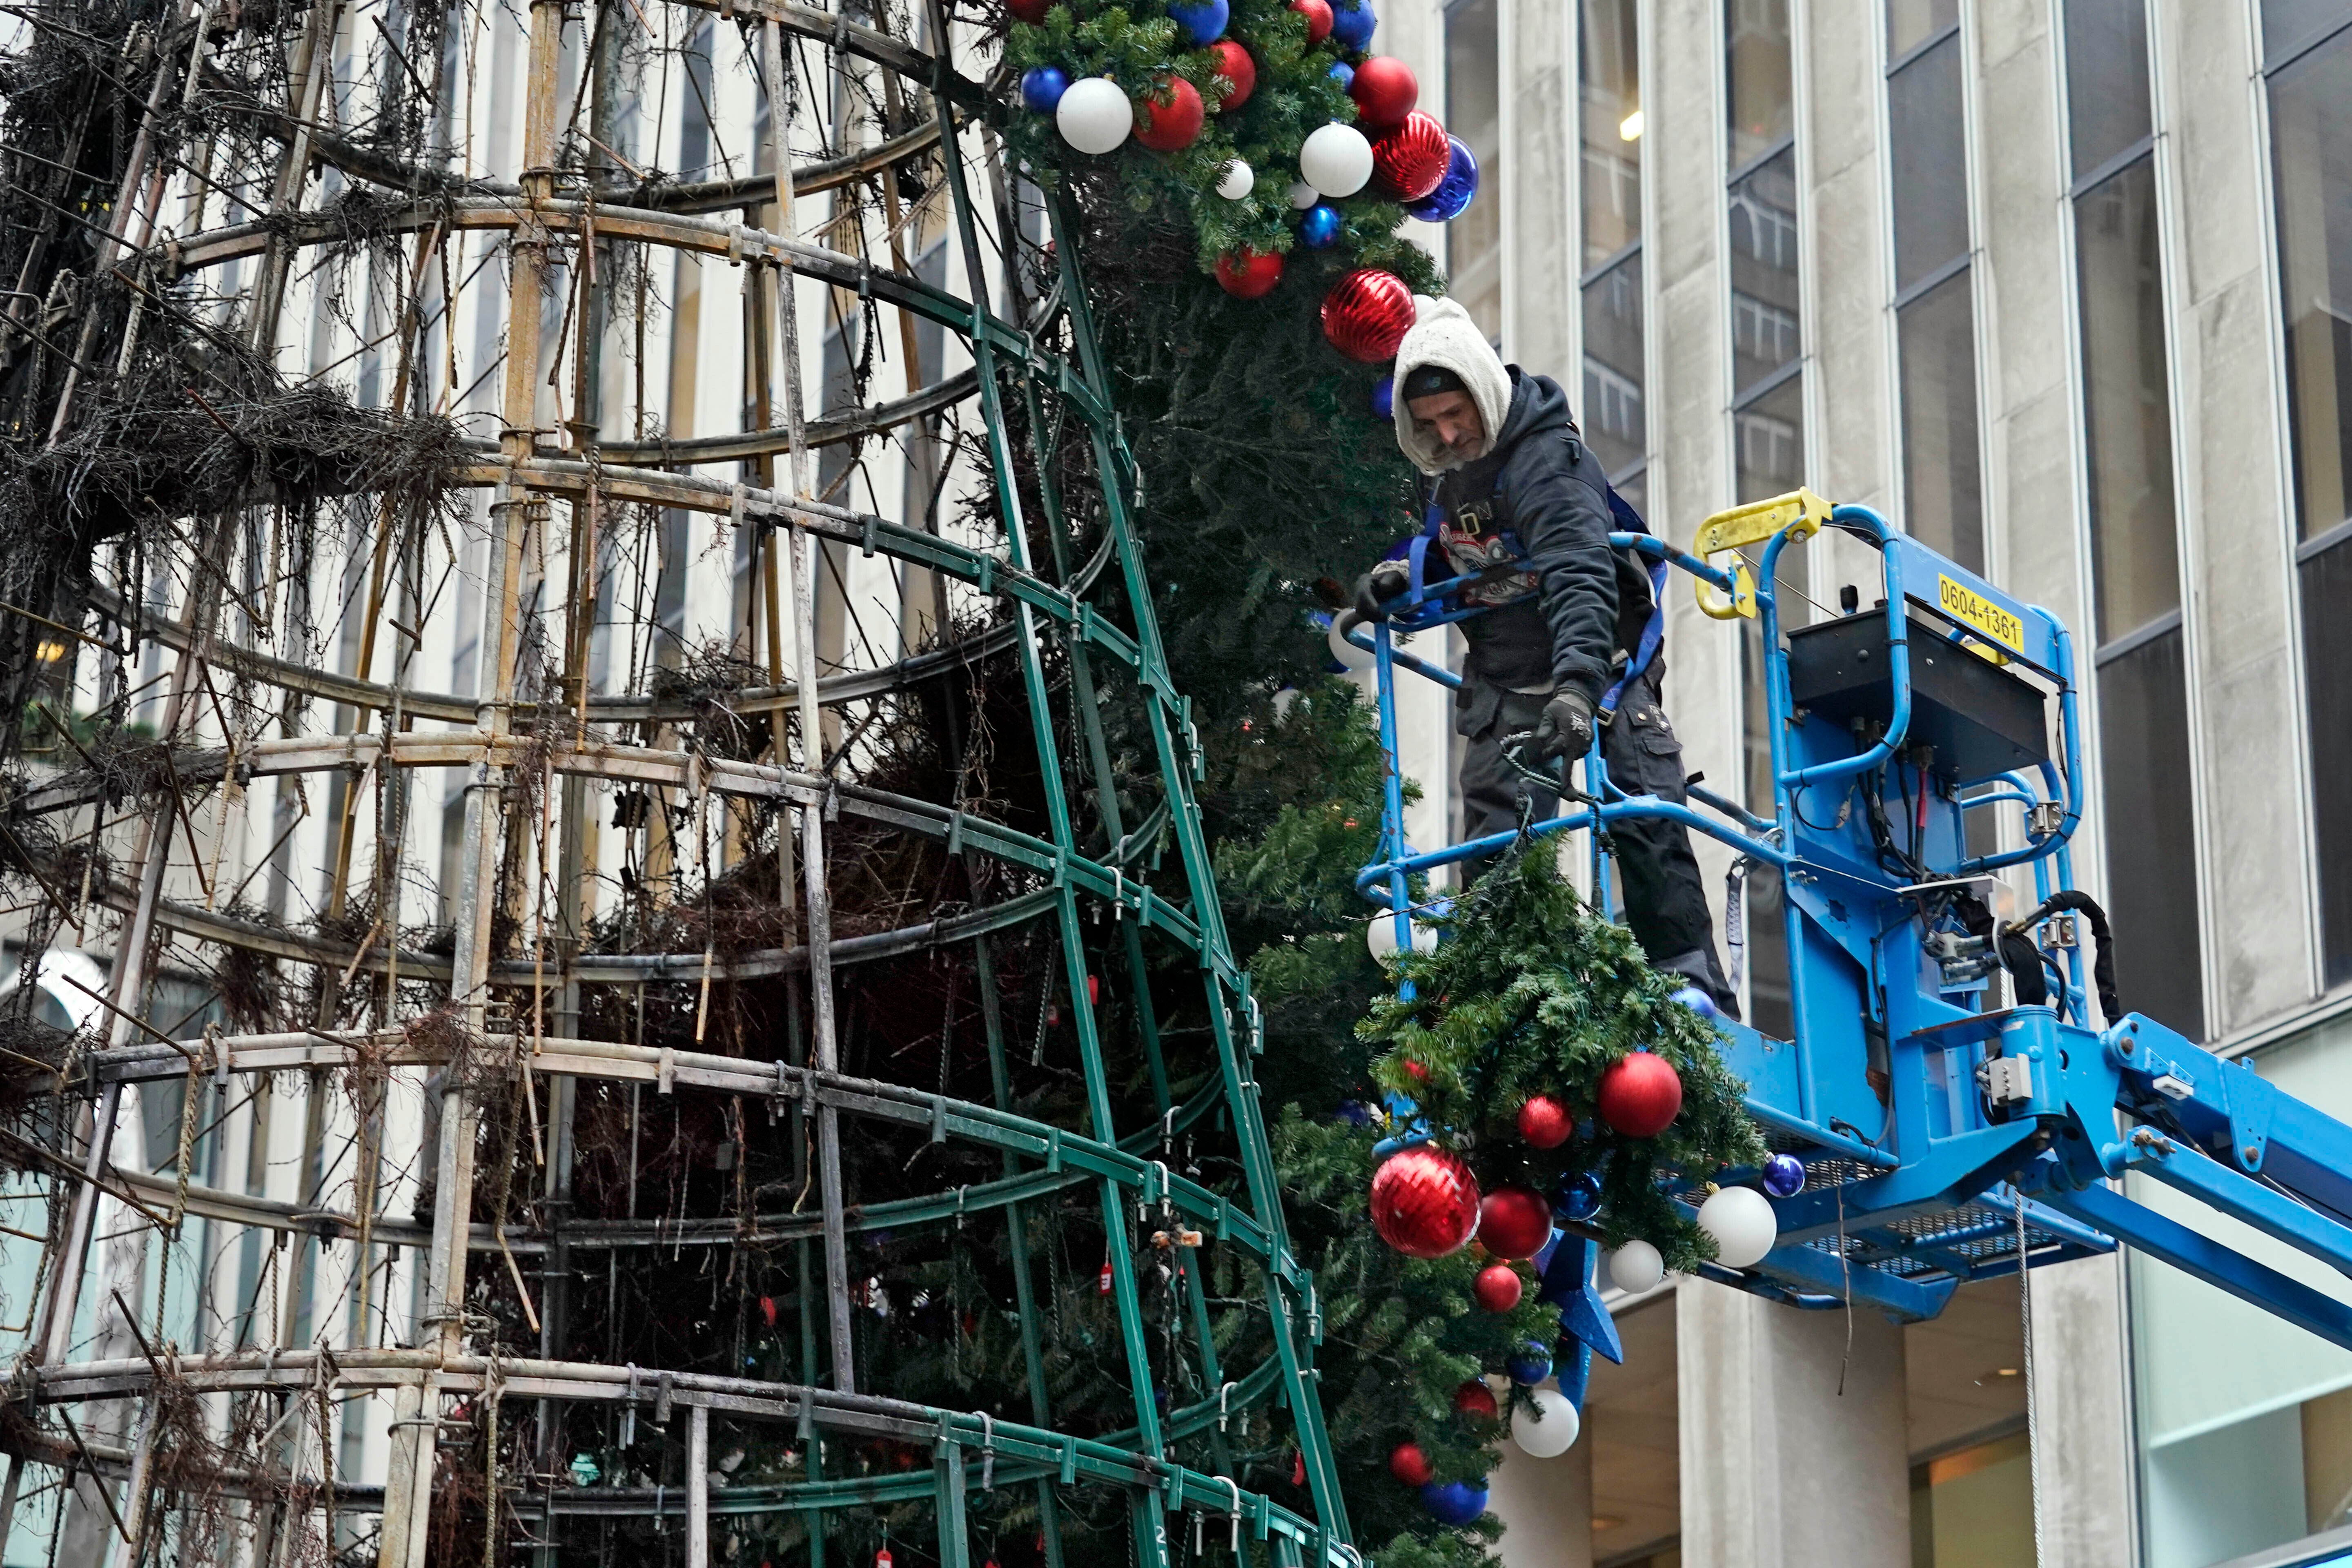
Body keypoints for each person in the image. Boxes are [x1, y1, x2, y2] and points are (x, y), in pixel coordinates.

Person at [1352, 297, 1739, 1017]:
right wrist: (1402, 571)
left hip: (1601, 665)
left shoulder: (1544, 460)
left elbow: (1581, 575)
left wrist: (1579, 688)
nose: (1447, 433)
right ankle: (1504, 1000)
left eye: (1456, 416)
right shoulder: (1448, 472)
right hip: (1505, 678)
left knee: (1641, 810)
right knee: (1496, 840)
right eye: (1430, 425)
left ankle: (1690, 989)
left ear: (1484, 393)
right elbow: (1458, 548)